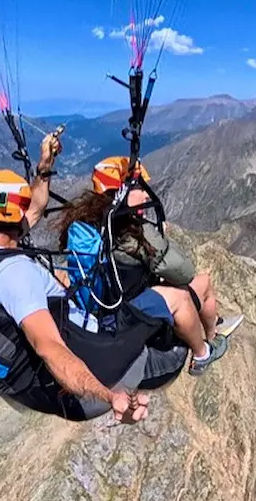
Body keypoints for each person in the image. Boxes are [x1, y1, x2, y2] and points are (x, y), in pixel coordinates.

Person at [0, 133, 185, 422]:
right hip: (93, 372)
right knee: (176, 318)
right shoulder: (17, 275)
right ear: (16, 216)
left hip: (71, 349)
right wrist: (109, 396)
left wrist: (45, 167)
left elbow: (35, 209)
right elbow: (49, 348)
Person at [54, 156, 242, 376]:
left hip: (104, 307)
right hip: (121, 317)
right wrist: (158, 239)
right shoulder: (133, 232)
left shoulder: (88, 221)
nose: (146, 195)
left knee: (184, 285)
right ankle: (205, 350)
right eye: (139, 188)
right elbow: (184, 272)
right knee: (194, 288)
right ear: (122, 192)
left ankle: (211, 330)